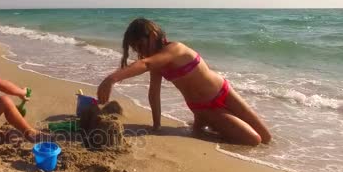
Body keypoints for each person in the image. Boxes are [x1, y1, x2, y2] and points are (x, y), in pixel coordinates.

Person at [97, 18, 271, 146]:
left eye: (141, 45)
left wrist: (111, 79)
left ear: (153, 35)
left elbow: (145, 64)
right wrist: (156, 125)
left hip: (225, 91)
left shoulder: (175, 49)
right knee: (253, 140)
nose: (140, 51)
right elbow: (154, 93)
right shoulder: (157, 62)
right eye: (136, 49)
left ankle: (209, 126)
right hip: (204, 107)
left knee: (266, 137)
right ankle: (206, 123)